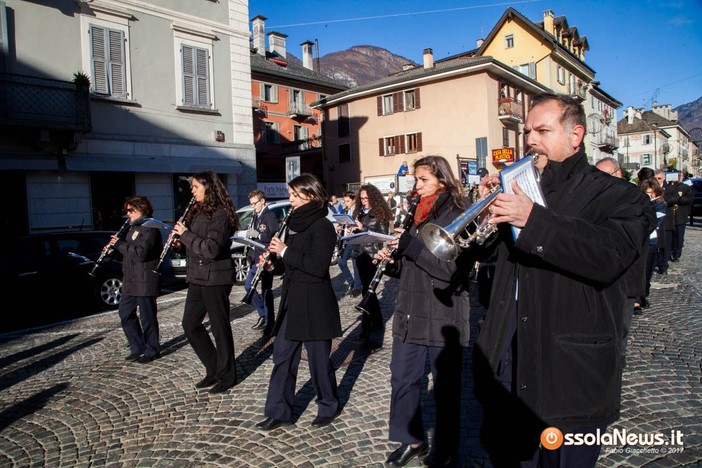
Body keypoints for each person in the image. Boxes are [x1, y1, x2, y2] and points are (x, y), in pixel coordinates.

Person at [474, 93, 654, 467]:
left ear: (576, 135)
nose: (529, 140)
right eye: (527, 132)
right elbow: (491, 261)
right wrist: (485, 219)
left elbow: (610, 255)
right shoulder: (521, 190)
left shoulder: (622, 196)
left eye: (542, 130)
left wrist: (533, 218)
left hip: (571, 370)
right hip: (509, 356)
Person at [375, 155, 473, 467]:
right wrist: (390, 262)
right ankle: (412, 439)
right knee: (402, 381)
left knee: (445, 390)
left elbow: (450, 271)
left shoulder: (458, 214)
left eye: (423, 180)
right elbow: (411, 265)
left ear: (442, 181)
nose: (416, 186)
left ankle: (446, 448)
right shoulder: (416, 215)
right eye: (416, 180)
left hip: (444, 313)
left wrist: (410, 246)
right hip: (410, 311)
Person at [256, 173, 342, 431]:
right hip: (292, 301)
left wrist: (284, 251)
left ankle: (328, 405)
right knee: (282, 357)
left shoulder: (323, 227)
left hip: (315, 303)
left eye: (294, 195)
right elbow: (289, 264)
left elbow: (318, 267)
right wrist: (273, 264)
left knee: (318, 361)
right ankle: (279, 411)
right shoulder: (292, 223)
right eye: (290, 194)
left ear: (311, 195)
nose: (289, 199)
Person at [172, 171, 240, 394]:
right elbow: (194, 243)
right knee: (190, 325)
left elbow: (210, 248)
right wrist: (178, 241)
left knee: (220, 328)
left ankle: (228, 375)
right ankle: (213, 368)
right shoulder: (196, 211)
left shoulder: (221, 214)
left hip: (216, 276)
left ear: (207, 187)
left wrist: (186, 235)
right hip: (198, 276)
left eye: (195, 187)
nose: (191, 191)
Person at [596, 158, 647, 366]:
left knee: (621, 326)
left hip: (626, 277)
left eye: (603, 176)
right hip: (601, 276)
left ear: (617, 174)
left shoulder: (634, 199)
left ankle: (618, 361)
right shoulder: (598, 198)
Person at [110, 195, 163, 364]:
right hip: (131, 280)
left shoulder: (150, 228)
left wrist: (120, 245)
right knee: (125, 313)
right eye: (127, 211)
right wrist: (113, 250)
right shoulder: (133, 228)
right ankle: (137, 346)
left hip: (145, 278)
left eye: (131, 210)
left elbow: (141, 253)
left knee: (147, 316)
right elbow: (128, 253)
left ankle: (152, 349)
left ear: (142, 209)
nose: (128, 214)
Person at [353, 184, 394, 344]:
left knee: (368, 290)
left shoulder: (379, 214)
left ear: (373, 198)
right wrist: (352, 230)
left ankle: (367, 326)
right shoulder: (361, 213)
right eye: (361, 199)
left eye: (366, 198)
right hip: (359, 255)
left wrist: (361, 227)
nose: (363, 201)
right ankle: (376, 321)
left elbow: (382, 237)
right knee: (367, 290)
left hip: (372, 256)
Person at [244, 189, 279, 335]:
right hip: (255, 256)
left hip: (266, 258)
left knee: (266, 290)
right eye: (251, 204)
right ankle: (263, 314)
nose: (253, 206)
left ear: (262, 200)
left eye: (254, 203)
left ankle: (270, 322)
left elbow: (274, 234)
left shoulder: (269, 215)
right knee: (248, 286)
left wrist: (258, 234)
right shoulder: (256, 215)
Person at [638, 178, 666, 312]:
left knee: (647, 271)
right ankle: (638, 298)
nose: (649, 196)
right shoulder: (639, 203)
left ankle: (643, 295)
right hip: (639, 241)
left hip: (651, 241)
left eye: (651, 193)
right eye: (646, 193)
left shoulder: (660, 205)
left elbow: (655, 221)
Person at [337, 191, 362, 297]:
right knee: (341, 262)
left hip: (355, 238)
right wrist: (339, 227)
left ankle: (357, 287)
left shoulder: (358, 211)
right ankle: (351, 282)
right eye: (345, 201)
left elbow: (361, 225)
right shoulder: (344, 211)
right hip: (346, 239)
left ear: (354, 200)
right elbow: (341, 224)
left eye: (348, 201)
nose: (345, 203)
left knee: (355, 263)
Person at [669, 172, 694, 262]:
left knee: (679, 237)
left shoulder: (685, 187)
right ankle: (669, 252)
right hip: (670, 215)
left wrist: (679, 199)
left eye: (680, 176)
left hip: (680, 215)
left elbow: (690, 199)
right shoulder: (668, 186)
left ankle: (676, 254)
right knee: (670, 236)